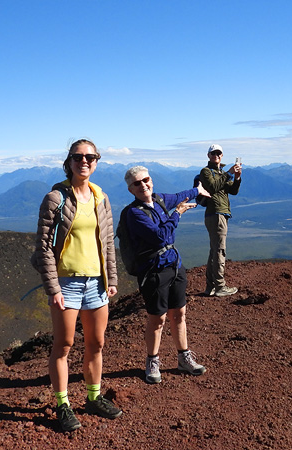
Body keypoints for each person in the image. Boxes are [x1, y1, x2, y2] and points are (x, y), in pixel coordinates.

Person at [31, 139, 122, 432]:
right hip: (66, 283)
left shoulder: (101, 197)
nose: (84, 161)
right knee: (64, 345)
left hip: (96, 283)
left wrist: (111, 279)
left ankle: (93, 398)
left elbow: (107, 243)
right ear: (69, 161)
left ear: (96, 161)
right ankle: (63, 404)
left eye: (90, 157)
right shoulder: (55, 198)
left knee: (96, 343)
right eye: (78, 157)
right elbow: (43, 247)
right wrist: (53, 288)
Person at [122, 166, 210, 385]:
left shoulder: (159, 199)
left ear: (151, 180)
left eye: (146, 180)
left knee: (179, 313)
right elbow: (161, 236)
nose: (143, 185)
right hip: (153, 271)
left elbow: (179, 196)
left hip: (175, 266)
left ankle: (184, 358)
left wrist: (197, 191)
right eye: (137, 183)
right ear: (130, 189)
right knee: (157, 318)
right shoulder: (135, 213)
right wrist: (177, 213)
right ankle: (152, 361)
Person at [199, 144, 241, 297]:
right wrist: (229, 173)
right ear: (208, 156)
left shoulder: (221, 172)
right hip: (215, 213)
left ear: (222, 155)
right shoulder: (206, 171)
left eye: (219, 153)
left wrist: (237, 177)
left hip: (221, 213)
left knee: (214, 251)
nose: (216, 155)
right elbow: (212, 186)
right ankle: (220, 287)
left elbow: (233, 191)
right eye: (213, 153)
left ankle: (210, 287)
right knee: (219, 250)